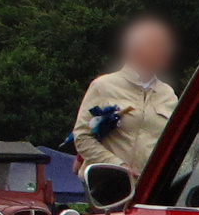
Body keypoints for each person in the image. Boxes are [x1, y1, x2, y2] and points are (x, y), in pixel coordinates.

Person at [73, 16, 180, 176]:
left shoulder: (168, 94)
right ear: (135, 49)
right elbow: (82, 137)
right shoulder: (103, 86)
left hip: (150, 190)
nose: (165, 51)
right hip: (110, 187)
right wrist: (117, 166)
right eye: (157, 45)